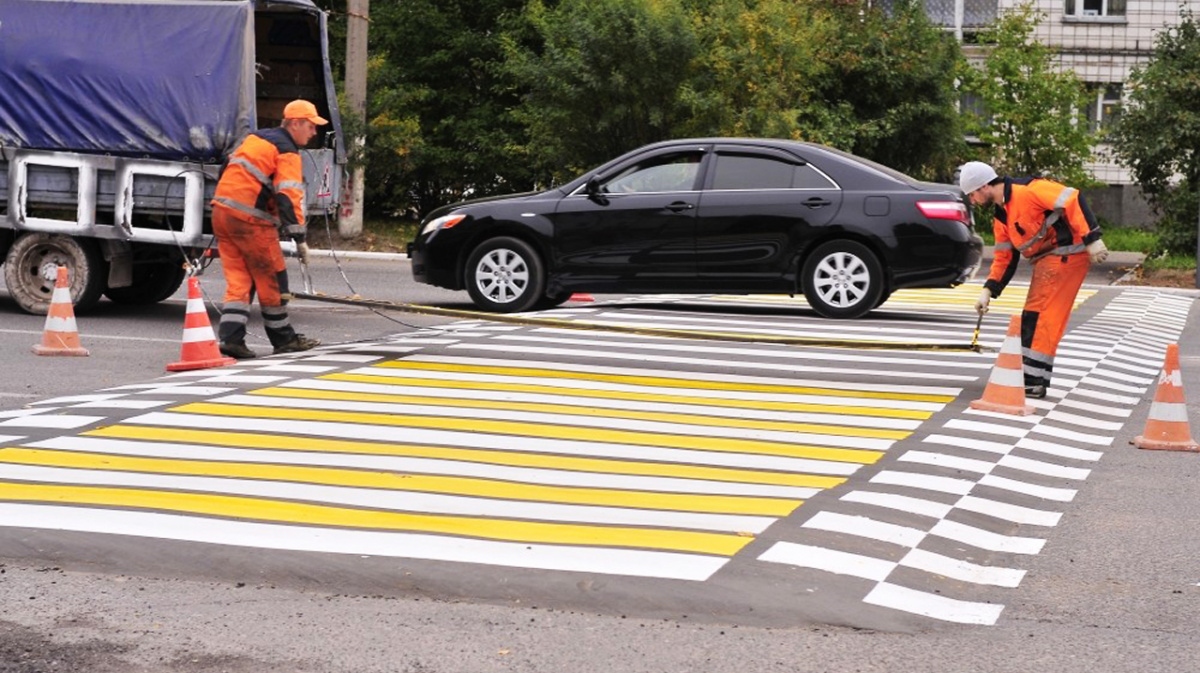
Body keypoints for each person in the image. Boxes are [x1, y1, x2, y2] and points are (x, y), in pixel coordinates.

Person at [959, 161, 1109, 399]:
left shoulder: (1029, 190)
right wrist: (989, 289)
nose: (973, 200)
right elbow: (1005, 258)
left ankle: (1032, 380)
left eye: (972, 194)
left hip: (1068, 254)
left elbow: (1072, 198)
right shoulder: (1001, 216)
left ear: (984, 186)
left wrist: (1092, 237)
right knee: (1033, 315)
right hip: (1049, 260)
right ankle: (1032, 377)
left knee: (1043, 317)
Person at [210, 99, 326, 359]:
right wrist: (299, 236)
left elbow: (225, 169)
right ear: (295, 123)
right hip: (250, 220)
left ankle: (231, 339)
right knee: (272, 277)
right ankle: (284, 339)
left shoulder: (256, 139)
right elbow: (288, 194)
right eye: (310, 126)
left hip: (222, 214)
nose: (314, 132)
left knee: (240, 279)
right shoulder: (287, 150)